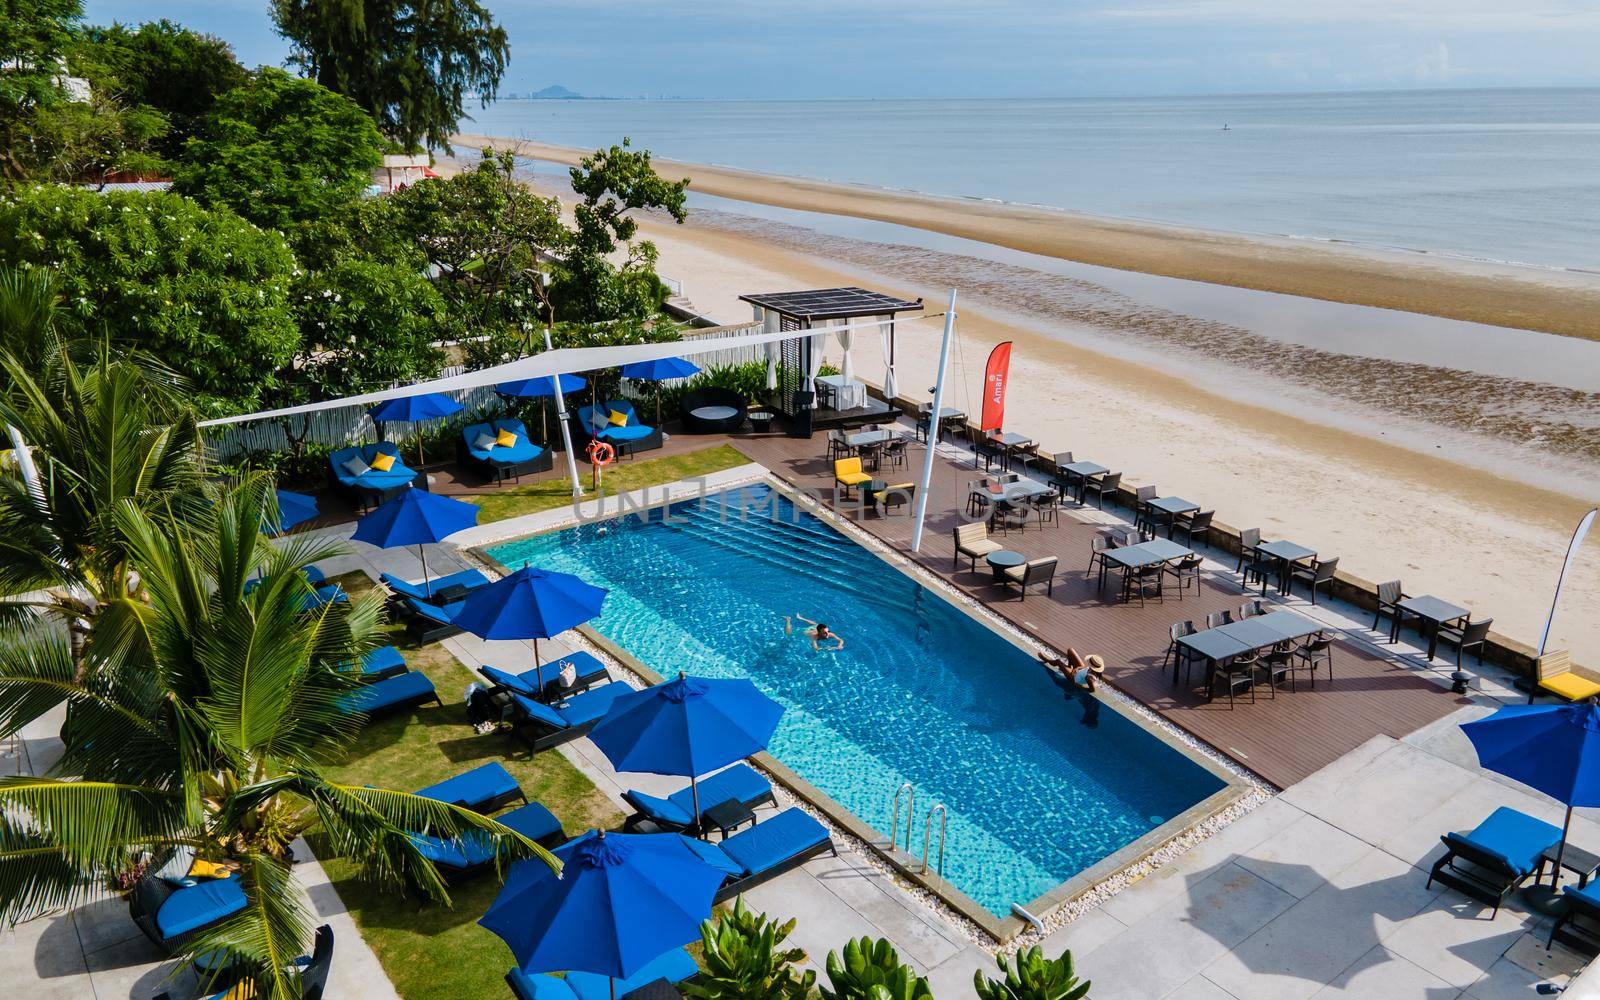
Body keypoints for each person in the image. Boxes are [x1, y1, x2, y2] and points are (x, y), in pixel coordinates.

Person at [1040, 647, 1104, 726]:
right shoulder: (1091, 671)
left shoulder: (1089, 678)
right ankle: (1068, 666)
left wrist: (1077, 685)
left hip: (1074, 678)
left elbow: (1091, 690)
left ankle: (1045, 659)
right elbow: (1086, 671)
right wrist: (1078, 668)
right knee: (1071, 650)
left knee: (1058, 662)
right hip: (1079, 671)